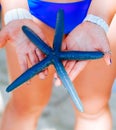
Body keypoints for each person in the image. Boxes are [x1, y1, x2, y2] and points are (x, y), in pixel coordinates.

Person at [0, 0, 116, 129]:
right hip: (27, 8)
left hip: (105, 7)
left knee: (93, 108)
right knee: (24, 107)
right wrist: (16, 14)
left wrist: (99, 18)